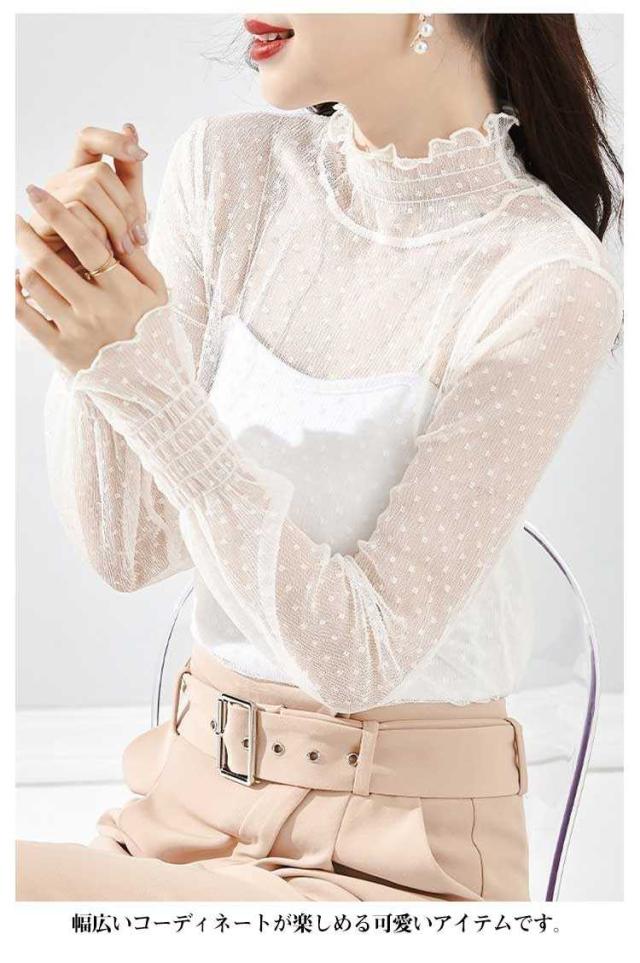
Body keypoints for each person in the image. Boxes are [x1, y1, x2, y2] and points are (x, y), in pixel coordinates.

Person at [15, 13, 622, 901]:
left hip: (392, 859)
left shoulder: (546, 278)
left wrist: (143, 373)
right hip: (179, 807)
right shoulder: (230, 172)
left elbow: (358, 659)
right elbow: (128, 547)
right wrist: (91, 318)